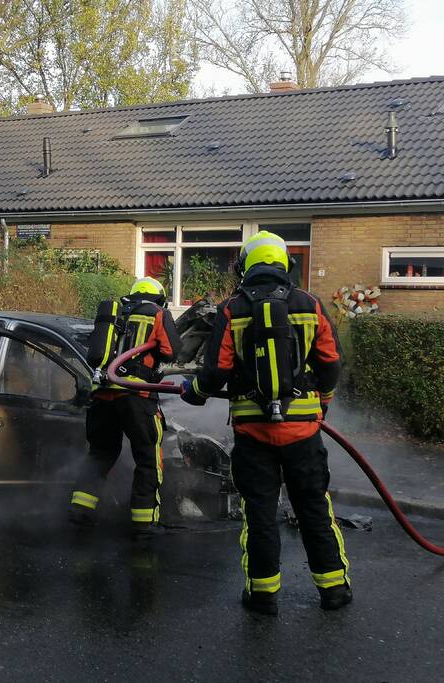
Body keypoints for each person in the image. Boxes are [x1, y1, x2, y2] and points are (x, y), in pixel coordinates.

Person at [181, 231, 349, 616]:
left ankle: (262, 595)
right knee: (313, 508)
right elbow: (330, 363)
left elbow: (216, 371)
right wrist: (321, 402)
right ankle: (334, 590)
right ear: (286, 264)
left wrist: (195, 392)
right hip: (303, 431)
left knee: (259, 513)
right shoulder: (309, 304)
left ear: (244, 267)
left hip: (253, 433)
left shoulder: (232, 308)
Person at [69, 276, 183, 539]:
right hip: (135, 394)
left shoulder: (115, 313)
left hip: (102, 394)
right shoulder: (157, 313)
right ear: (160, 298)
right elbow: (171, 350)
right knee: (147, 457)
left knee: (100, 453)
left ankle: (80, 511)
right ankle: (145, 523)